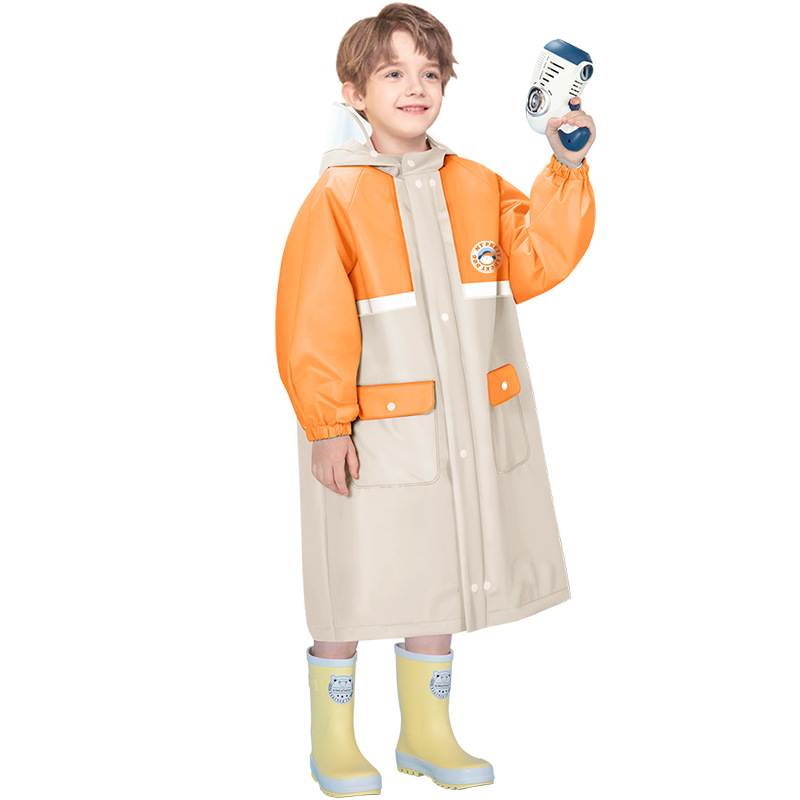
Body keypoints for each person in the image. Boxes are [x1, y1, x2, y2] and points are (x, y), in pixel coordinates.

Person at [275, 4, 596, 795]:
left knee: (441, 570)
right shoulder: (336, 198)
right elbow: (312, 318)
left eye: (429, 71)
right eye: (393, 72)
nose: (415, 86)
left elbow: (537, 260)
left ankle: (426, 733)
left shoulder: (474, 185)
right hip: (371, 435)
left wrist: (566, 168)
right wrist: (326, 424)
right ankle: (333, 742)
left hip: (458, 425)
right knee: (353, 580)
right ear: (354, 92)